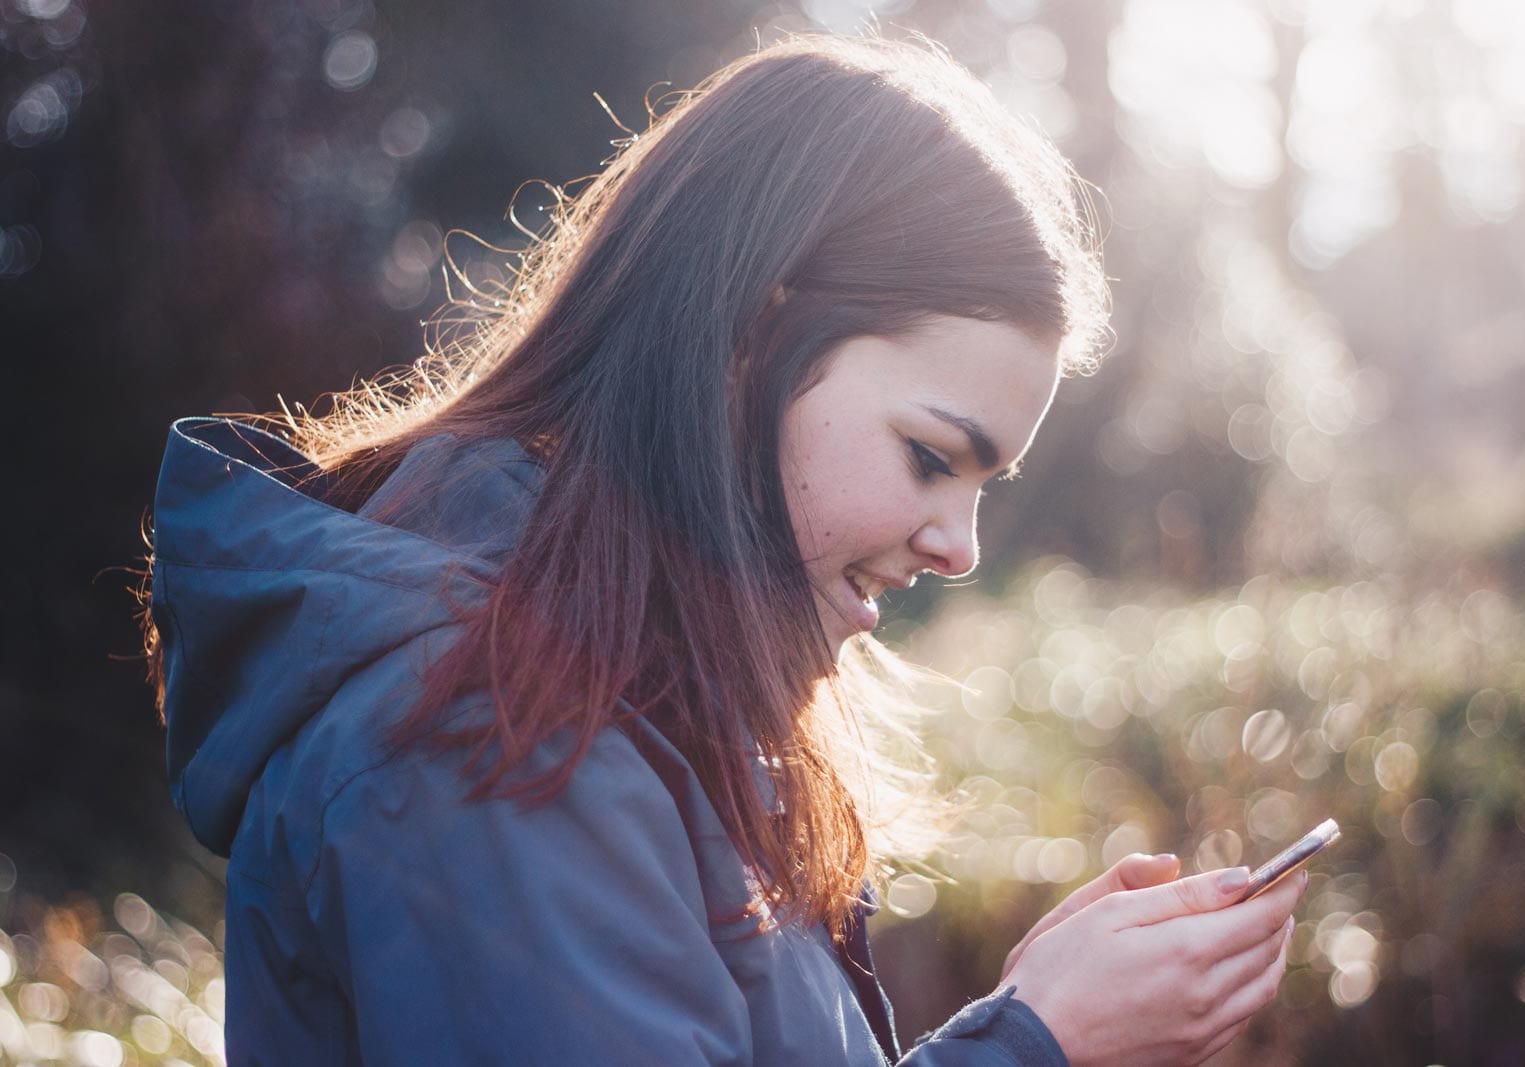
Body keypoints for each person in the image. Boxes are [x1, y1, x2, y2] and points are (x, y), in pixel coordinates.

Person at [140, 33, 1304, 1066]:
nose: (957, 546)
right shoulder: (488, 733)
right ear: (751, 338)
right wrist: (1037, 1044)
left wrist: (1035, 1017)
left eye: (983, 484)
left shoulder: (621, 694)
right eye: (931, 456)